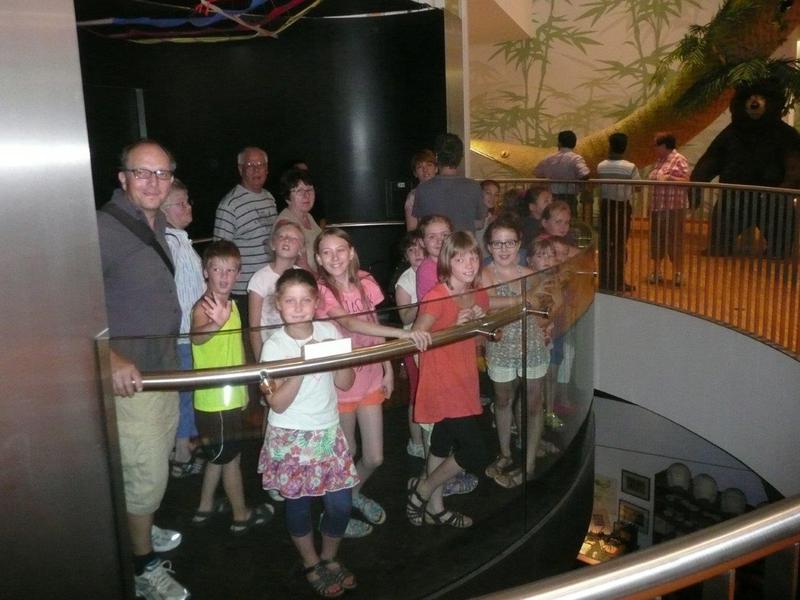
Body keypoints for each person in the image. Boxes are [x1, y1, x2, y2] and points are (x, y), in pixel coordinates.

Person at [96, 139, 189, 599]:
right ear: (123, 178)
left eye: (162, 173)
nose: (153, 182)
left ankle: (142, 527)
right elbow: (67, 301)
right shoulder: (103, 229)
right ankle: (141, 566)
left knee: (154, 462)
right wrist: (109, 356)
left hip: (161, 371)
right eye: (142, 172)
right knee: (144, 474)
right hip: (132, 382)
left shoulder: (156, 224)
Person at [314, 228, 430, 537]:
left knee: (375, 456)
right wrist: (403, 334)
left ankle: (351, 495)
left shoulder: (366, 280)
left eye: (340, 250)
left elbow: (371, 322)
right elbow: (349, 323)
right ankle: (334, 514)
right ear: (318, 259)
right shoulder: (321, 290)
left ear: (352, 252)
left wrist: (386, 366)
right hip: (341, 380)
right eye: (327, 252)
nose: (335, 257)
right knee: (345, 450)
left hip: (369, 376)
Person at [257, 269, 359, 598]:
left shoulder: (328, 330)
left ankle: (329, 557)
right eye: (290, 301)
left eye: (305, 300)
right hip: (291, 436)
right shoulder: (274, 346)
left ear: (316, 302)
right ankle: (311, 562)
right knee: (298, 505)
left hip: (327, 432)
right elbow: (277, 403)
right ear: (278, 304)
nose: (298, 307)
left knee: (341, 504)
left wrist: (338, 356)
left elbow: (345, 383)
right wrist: (304, 364)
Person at [190, 240, 274, 534]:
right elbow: (196, 336)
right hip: (216, 401)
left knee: (219, 455)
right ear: (206, 272)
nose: (224, 276)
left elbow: (234, 351)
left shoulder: (231, 305)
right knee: (231, 460)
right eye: (217, 269)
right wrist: (215, 324)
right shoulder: (205, 307)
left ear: (238, 272)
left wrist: (243, 392)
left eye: (230, 270)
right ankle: (241, 515)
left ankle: (204, 507)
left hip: (228, 397)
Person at [407, 231, 490, 529]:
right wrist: (454, 325)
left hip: (464, 378)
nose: (468, 264)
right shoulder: (437, 296)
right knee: (476, 451)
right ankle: (423, 491)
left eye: (473, 256)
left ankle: (436, 509)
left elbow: (484, 329)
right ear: (447, 262)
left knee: (440, 445)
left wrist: (479, 319)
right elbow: (417, 337)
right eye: (460, 258)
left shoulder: (477, 293)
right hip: (443, 382)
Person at [479, 214, 549, 489]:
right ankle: (505, 452)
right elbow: (483, 302)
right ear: (489, 246)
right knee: (502, 400)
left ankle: (529, 464)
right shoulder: (485, 274)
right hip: (501, 346)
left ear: (519, 244)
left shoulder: (530, 274)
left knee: (534, 403)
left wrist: (545, 319)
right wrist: (521, 300)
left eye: (509, 242)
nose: (504, 249)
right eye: (498, 243)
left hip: (532, 343)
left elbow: (545, 303)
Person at [162, 179, 206, 478]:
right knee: (186, 394)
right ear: (164, 210)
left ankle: (184, 446)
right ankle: (181, 453)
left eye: (188, 201)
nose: (188, 207)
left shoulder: (180, 240)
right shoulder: (172, 244)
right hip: (184, 335)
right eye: (181, 203)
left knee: (188, 392)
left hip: (188, 333)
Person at [214, 146, 278, 329]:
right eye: (250, 165)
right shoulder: (229, 205)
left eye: (261, 165)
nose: (256, 170)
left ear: (267, 169)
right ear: (240, 169)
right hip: (244, 291)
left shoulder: (269, 198)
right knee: (250, 338)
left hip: (270, 286)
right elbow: (219, 253)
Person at [248, 221, 305, 360]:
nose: (286, 240)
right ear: (273, 244)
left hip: (297, 347)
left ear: (300, 249)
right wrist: (261, 361)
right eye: (281, 236)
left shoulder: (303, 277)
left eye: (293, 238)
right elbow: (254, 328)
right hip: (270, 349)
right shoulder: (260, 278)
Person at [412, 133, 486, 234]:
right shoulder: (474, 187)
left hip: (437, 243)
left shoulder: (423, 189)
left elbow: (422, 226)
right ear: (460, 157)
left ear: (436, 156)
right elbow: (480, 224)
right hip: (463, 242)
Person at [394, 230, 426, 459]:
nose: (417, 253)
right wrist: (425, 300)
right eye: (411, 249)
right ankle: (416, 443)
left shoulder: (437, 270)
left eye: (420, 248)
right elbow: (404, 317)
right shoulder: (405, 281)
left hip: (435, 339)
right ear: (406, 255)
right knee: (417, 392)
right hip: (413, 341)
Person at [597, 133, 640, 292]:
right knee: (620, 244)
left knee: (605, 243)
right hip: (622, 207)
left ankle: (604, 281)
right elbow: (638, 187)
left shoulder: (601, 166)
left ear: (610, 146)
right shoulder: (630, 167)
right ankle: (618, 281)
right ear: (625, 147)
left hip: (605, 206)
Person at [647, 132, 689, 286]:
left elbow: (687, 180)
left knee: (674, 239)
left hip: (674, 207)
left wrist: (671, 178)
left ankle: (678, 272)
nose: (654, 148)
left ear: (664, 145)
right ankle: (657, 271)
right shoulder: (659, 161)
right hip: (658, 206)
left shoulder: (679, 159)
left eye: (656, 145)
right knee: (657, 239)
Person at [272, 169, 322, 271]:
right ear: (287, 197)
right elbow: (301, 267)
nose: (306, 195)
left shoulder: (308, 216)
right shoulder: (285, 225)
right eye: (299, 191)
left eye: (309, 190)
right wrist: (322, 280)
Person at [534, 130, 590, 219]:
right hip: (570, 196)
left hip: (552, 197)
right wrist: (580, 185)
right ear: (574, 144)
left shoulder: (549, 158)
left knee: (553, 219)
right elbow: (584, 174)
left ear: (559, 143)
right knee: (570, 220)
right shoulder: (576, 158)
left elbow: (537, 172)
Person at [415, 214, 453, 303]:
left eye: (444, 235)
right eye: (432, 237)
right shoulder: (426, 270)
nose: (440, 241)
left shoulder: (457, 261)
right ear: (422, 242)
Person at [404, 149, 437, 231]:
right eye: (420, 167)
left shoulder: (445, 190)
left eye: (429, 165)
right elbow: (412, 230)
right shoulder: (413, 196)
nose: (425, 170)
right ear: (415, 173)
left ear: (436, 169)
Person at [521, 187, 553, 252]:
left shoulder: (548, 221)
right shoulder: (529, 227)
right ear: (532, 207)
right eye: (546, 201)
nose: (551, 204)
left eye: (552, 200)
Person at [475, 179, 501, 253]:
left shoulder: (494, 217)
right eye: (488, 193)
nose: (492, 198)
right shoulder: (473, 216)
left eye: (496, 195)